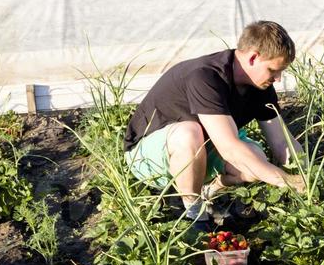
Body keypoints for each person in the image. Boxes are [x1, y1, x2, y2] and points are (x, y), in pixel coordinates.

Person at [124, 21, 308, 223]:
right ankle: (193, 214)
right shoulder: (205, 76)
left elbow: (282, 142)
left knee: (255, 159)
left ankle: (207, 192)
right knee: (189, 132)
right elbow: (229, 148)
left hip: (201, 151)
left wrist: (307, 176)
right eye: (273, 70)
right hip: (148, 158)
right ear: (254, 57)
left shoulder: (260, 88)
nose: (278, 78)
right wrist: (285, 181)